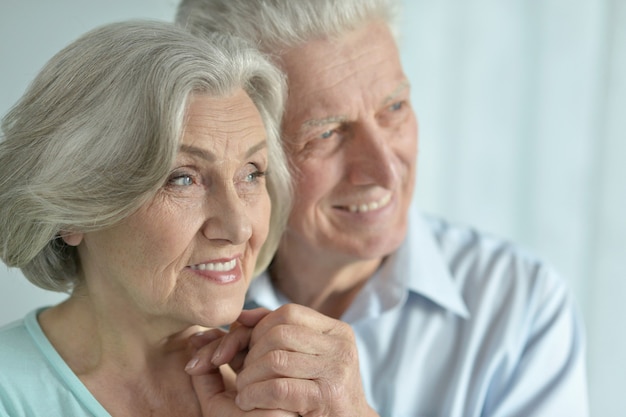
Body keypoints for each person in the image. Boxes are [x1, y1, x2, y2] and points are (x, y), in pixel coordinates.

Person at [175, 1, 590, 416]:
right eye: (327, 133)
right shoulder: (172, 308)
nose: (386, 168)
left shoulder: (521, 305)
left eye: (394, 108)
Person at [0, 20, 296, 417]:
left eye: (251, 173)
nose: (238, 226)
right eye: (183, 178)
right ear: (71, 211)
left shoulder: (285, 388)